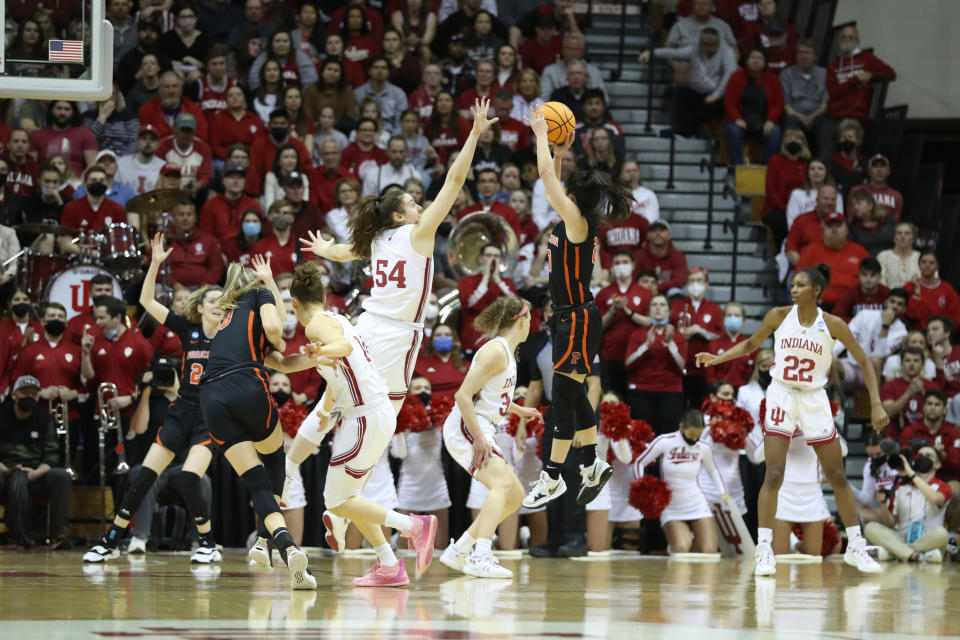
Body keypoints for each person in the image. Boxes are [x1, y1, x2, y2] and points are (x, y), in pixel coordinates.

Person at [303, 97, 498, 417]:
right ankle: (351, 444)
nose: (420, 205)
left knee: (351, 401)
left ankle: (324, 420)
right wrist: (474, 135)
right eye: (412, 203)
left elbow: (343, 253)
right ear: (397, 216)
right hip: (399, 333)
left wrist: (324, 250)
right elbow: (454, 181)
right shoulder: (419, 233)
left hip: (367, 324)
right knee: (386, 415)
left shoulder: (376, 238)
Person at [696, 264, 887, 575]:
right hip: (782, 395)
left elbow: (864, 361)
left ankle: (855, 546)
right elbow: (750, 345)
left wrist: (876, 404)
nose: (794, 289)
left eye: (801, 285)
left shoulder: (833, 324)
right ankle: (764, 550)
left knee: (837, 474)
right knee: (773, 474)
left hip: (814, 398)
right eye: (793, 284)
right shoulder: (778, 315)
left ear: (817, 291)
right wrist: (717, 358)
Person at [276, 262, 438, 586]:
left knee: (337, 501)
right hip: (370, 414)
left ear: (293, 302)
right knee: (352, 499)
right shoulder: (337, 318)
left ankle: (414, 526)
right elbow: (342, 369)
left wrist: (322, 349)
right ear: (323, 296)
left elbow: (343, 348)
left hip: (364, 417)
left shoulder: (317, 327)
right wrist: (325, 410)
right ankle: (389, 563)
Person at [518, 106, 634, 510]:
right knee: (570, 395)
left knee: (563, 401)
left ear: (573, 198)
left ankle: (553, 478)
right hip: (571, 318)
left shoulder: (578, 221)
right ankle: (589, 466)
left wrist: (540, 137)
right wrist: (560, 150)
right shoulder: (577, 219)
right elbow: (555, 181)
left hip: (578, 317)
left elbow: (548, 181)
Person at [83, 235, 223, 565]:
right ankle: (111, 540)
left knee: (191, 478)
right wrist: (156, 264)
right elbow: (146, 300)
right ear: (201, 306)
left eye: (225, 301)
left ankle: (207, 542)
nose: (221, 304)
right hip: (181, 411)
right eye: (215, 300)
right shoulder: (187, 327)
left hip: (209, 416)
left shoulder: (233, 335)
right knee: (143, 476)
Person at [197, 257, 316, 590]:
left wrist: (314, 356)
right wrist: (271, 284)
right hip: (245, 384)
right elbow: (276, 330)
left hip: (211, 397)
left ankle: (277, 545)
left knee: (257, 483)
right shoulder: (258, 295)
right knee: (276, 457)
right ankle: (269, 542)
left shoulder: (230, 317)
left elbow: (283, 362)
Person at [440, 296, 539, 577]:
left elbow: (492, 396)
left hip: (482, 424)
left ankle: (460, 550)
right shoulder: (495, 351)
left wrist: (518, 409)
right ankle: (480, 556)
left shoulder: (507, 351)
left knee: (515, 496)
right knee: (501, 486)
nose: (532, 322)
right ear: (520, 320)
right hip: (467, 427)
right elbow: (462, 395)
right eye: (530, 316)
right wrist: (479, 438)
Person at [633, 408, 729, 553]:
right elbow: (639, 462)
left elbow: (713, 470)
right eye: (690, 435)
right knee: (682, 547)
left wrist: (723, 492)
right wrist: (642, 486)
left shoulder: (704, 447)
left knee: (709, 550)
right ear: (681, 426)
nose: (693, 440)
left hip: (697, 503)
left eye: (698, 436)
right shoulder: (665, 441)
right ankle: (677, 544)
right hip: (671, 505)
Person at [0, 376, 74, 547]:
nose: (29, 397)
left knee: (61, 476)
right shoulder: (2, 415)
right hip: (5, 474)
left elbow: (52, 456)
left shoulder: (45, 419)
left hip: (34, 476)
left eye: (33, 394)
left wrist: (35, 473)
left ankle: (59, 534)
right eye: (24, 393)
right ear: (13, 395)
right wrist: (6, 471)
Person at [638, 27, 736, 138]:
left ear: (718, 43)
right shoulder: (695, 49)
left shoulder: (727, 52)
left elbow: (729, 74)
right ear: (700, 42)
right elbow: (675, 53)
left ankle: (684, 131)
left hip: (718, 95)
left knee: (711, 105)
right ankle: (688, 130)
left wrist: (716, 94)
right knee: (671, 93)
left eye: (711, 44)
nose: (707, 48)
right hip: (696, 92)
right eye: (704, 44)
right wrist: (651, 52)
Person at [819, 25, 896, 158]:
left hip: (855, 116)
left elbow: (891, 74)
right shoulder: (833, 66)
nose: (847, 40)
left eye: (851, 37)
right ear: (839, 41)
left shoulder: (867, 58)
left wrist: (871, 75)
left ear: (857, 40)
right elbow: (833, 92)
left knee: (851, 151)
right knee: (825, 153)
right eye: (843, 37)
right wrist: (855, 80)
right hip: (833, 117)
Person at [864, 445, 951, 563]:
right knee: (870, 527)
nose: (923, 458)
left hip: (928, 538)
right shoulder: (901, 486)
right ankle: (918, 555)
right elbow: (890, 523)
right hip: (902, 536)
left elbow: (935, 499)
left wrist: (911, 473)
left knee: (942, 534)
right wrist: (883, 505)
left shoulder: (942, 486)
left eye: (928, 456)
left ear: (937, 464)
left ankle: (896, 553)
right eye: (920, 456)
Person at [596, 250, 652, 398]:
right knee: (611, 399)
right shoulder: (604, 293)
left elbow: (651, 322)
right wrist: (613, 310)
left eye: (625, 262)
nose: (621, 266)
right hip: (610, 355)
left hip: (638, 355)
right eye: (617, 263)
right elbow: (596, 327)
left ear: (633, 265)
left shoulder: (645, 293)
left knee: (635, 400)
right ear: (612, 267)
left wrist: (627, 310)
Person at [722, 47, 784, 165]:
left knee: (775, 132)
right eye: (753, 57)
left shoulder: (772, 79)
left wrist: (770, 121)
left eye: (760, 58)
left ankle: (769, 170)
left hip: (764, 122)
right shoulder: (736, 76)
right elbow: (729, 103)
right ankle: (737, 168)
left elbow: (778, 104)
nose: (756, 61)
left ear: (765, 62)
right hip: (740, 121)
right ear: (747, 60)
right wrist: (737, 119)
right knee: (733, 131)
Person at [795, 212, 870, 309]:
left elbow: (872, 278)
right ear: (823, 230)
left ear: (847, 229)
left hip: (853, 306)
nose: (834, 230)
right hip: (819, 306)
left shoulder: (860, 252)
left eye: (838, 226)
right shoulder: (810, 251)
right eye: (830, 226)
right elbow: (799, 280)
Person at [672, 267, 723, 407]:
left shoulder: (714, 309)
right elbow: (668, 329)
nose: (695, 284)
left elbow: (719, 335)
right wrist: (679, 333)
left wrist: (700, 330)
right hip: (678, 367)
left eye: (699, 280)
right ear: (687, 283)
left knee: (700, 407)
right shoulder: (677, 305)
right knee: (678, 407)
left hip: (703, 369)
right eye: (692, 280)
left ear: (706, 284)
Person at [457, 244, 518, 355]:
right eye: (489, 255)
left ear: (501, 260)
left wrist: (498, 280)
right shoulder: (466, 281)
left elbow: (515, 307)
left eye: (496, 256)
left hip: (501, 342)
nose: (493, 259)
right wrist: (485, 278)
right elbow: (470, 304)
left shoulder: (507, 283)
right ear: (481, 259)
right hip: (472, 341)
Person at [762, 129, 810, 248]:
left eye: (797, 138)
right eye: (789, 138)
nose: (793, 140)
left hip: (802, 208)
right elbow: (770, 189)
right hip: (778, 207)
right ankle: (782, 252)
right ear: (783, 142)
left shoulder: (807, 164)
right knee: (779, 220)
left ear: (804, 143)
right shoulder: (775, 161)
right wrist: (787, 209)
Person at [779, 39, 827, 139]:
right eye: (800, 52)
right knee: (790, 120)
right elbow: (787, 106)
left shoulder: (824, 74)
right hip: (794, 115)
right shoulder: (786, 74)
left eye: (807, 52)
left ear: (814, 56)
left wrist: (811, 117)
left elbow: (824, 105)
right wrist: (801, 117)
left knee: (825, 123)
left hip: (816, 115)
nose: (803, 56)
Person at [905, 252, 960, 330]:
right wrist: (917, 292)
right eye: (924, 262)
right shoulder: (910, 287)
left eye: (931, 263)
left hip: (941, 334)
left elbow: (955, 316)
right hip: (915, 334)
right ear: (919, 264)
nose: (927, 265)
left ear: (937, 266)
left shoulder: (947, 289)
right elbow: (909, 314)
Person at [706, 302, 756, 387]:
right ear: (723, 319)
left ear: (743, 320)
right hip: (720, 392)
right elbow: (710, 374)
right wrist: (717, 390)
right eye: (729, 315)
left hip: (744, 392)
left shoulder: (751, 345)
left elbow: (755, 373)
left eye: (737, 315)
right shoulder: (713, 344)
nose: (733, 318)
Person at [832, 257, 890, 323]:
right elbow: (837, 314)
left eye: (872, 275)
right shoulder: (851, 292)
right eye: (864, 275)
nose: (868, 279)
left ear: (879, 277)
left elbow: (898, 314)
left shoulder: (886, 293)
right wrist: (854, 325)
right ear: (859, 276)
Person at [850, 154, 903, 221]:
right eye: (875, 166)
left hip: (886, 230)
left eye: (883, 166)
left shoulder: (896, 196)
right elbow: (850, 219)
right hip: (860, 230)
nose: (879, 170)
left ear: (888, 171)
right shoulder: (856, 191)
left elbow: (895, 224)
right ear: (869, 171)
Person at [877, 222, 920, 290]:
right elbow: (879, 281)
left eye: (907, 233)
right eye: (899, 233)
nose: (902, 236)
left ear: (913, 238)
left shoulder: (920, 257)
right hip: (889, 297)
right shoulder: (883, 256)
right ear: (894, 238)